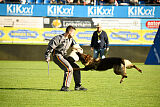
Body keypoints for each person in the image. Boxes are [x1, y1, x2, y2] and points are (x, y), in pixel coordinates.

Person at [45, 25, 87, 91]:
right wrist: (47, 57)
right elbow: (50, 47)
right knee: (69, 68)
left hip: (64, 56)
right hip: (57, 56)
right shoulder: (58, 38)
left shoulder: (71, 39)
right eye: (73, 33)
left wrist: (79, 50)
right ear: (69, 32)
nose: (74, 34)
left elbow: (75, 46)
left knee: (76, 67)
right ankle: (65, 87)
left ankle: (78, 86)